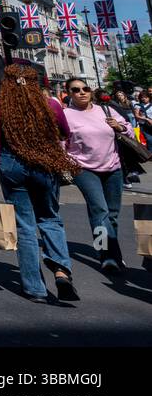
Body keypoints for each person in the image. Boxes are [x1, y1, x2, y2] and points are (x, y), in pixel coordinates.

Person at [0, 64, 80, 302]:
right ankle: (61, 270)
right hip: (44, 165)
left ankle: (34, 288)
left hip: (12, 165)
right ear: (36, 82)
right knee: (50, 218)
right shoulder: (50, 104)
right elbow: (64, 132)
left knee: (24, 227)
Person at [62, 79, 130, 276]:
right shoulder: (66, 115)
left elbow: (127, 128)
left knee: (113, 214)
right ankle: (107, 255)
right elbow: (59, 142)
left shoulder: (105, 111)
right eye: (76, 90)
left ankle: (111, 249)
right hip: (84, 169)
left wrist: (119, 126)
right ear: (69, 93)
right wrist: (68, 163)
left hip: (113, 167)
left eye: (85, 89)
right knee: (99, 211)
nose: (82, 92)